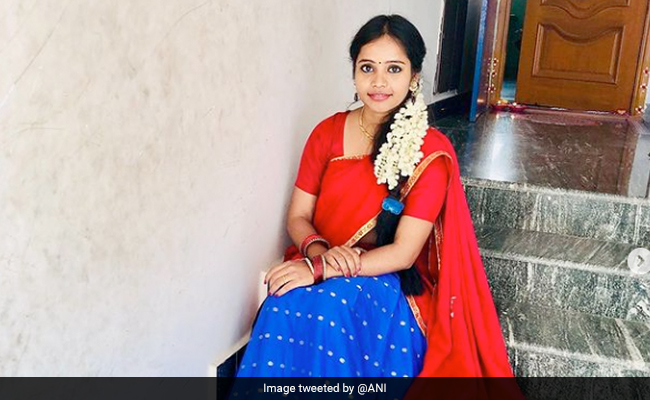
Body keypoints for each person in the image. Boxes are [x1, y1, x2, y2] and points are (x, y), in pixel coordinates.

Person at [235, 14, 514, 378]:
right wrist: (320, 255)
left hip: (385, 276)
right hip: (320, 256)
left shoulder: (428, 151)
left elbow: (404, 252)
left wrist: (322, 270)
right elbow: (298, 216)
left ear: (414, 77)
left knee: (332, 310)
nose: (379, 81)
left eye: (394, 69)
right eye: (367, 67)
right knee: (280, 303)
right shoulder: (327, 133)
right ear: (354, 72)